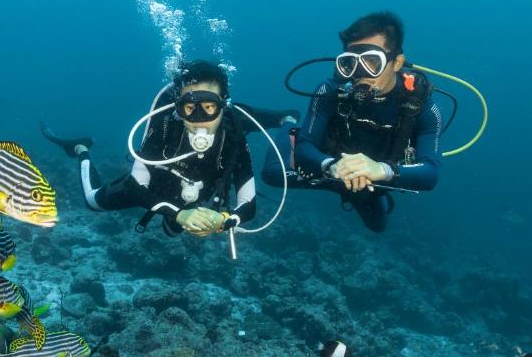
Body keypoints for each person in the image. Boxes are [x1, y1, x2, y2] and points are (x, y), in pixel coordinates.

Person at [262, 12, 442, 232]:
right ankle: (288, 122)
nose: (360, 73)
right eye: (351, 63)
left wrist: (382, 171)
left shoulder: (422, 108)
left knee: (377, 226)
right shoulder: (330, 91)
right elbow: (305, 146)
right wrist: (332, 167)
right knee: (272, 174)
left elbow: (430, 173)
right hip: (330, 168)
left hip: (375, 177)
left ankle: (356, 190)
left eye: (372, 61)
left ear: (397, 62)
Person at [42, 60, 259, 237]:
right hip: (151, 187)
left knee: (173, 231)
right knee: (92, 202)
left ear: (223, 105)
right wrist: (179, 214)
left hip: (193, 196)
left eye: (209, 107)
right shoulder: (166, 124)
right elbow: (137, 183)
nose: (199, 120)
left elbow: (248, 202)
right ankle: (81, 149)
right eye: (190, 108)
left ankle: (174, 220)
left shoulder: (233, 133)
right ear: (178, 106)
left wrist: (223, 220)